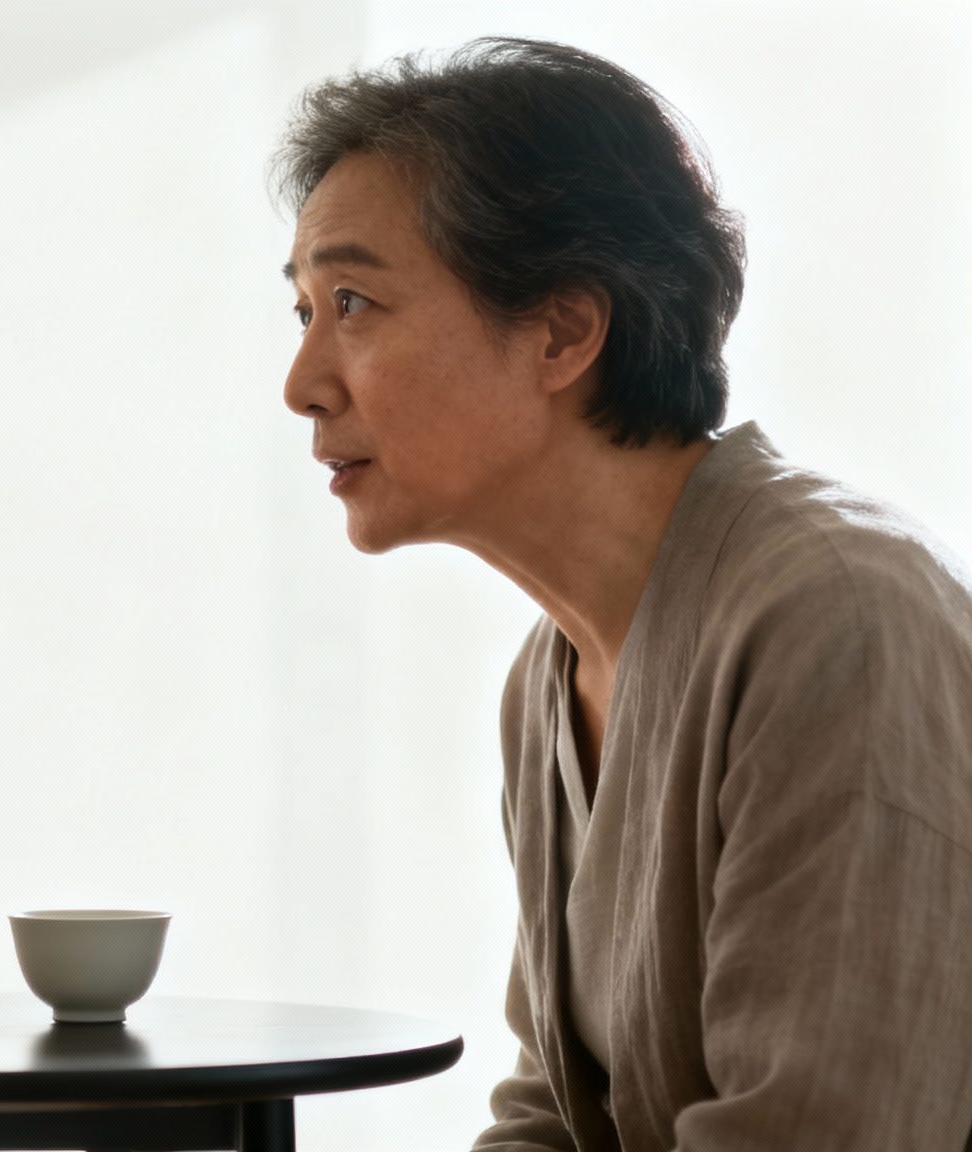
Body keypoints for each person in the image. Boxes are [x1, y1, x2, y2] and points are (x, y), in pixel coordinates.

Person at [275, 38, 972, 1150]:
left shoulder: (833, 617)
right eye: (301, 311)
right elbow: (554, 1116)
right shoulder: (550, 677)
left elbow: (815, 1134)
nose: (301, 384)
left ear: (560, 330)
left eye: (352, 300)